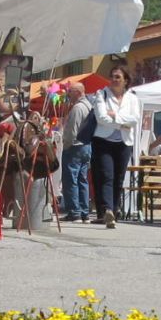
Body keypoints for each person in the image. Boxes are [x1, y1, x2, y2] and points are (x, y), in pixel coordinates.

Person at [86, 61, 143, 227]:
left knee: (119, 178)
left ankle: (114, 211)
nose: (114, 80)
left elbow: (135, 119)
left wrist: (115, 116)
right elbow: (101, 118)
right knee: (106, 176)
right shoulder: (101, 94)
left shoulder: (132, 98)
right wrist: (122, 122)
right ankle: (107, 210)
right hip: (103, 141)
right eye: (112, 77)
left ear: (126, 80)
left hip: (124, 143)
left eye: (118, 77)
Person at [59, 83, 94, 220]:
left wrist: (66, 144)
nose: (68, 94)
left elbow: (72, 131)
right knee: (82, 179)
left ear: (78, 92)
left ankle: (74, 212)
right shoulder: (89, 106)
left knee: (71, 179)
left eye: (70, 91)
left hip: (75, 147)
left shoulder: (78, 108)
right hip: (86, 146)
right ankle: (84, 211)